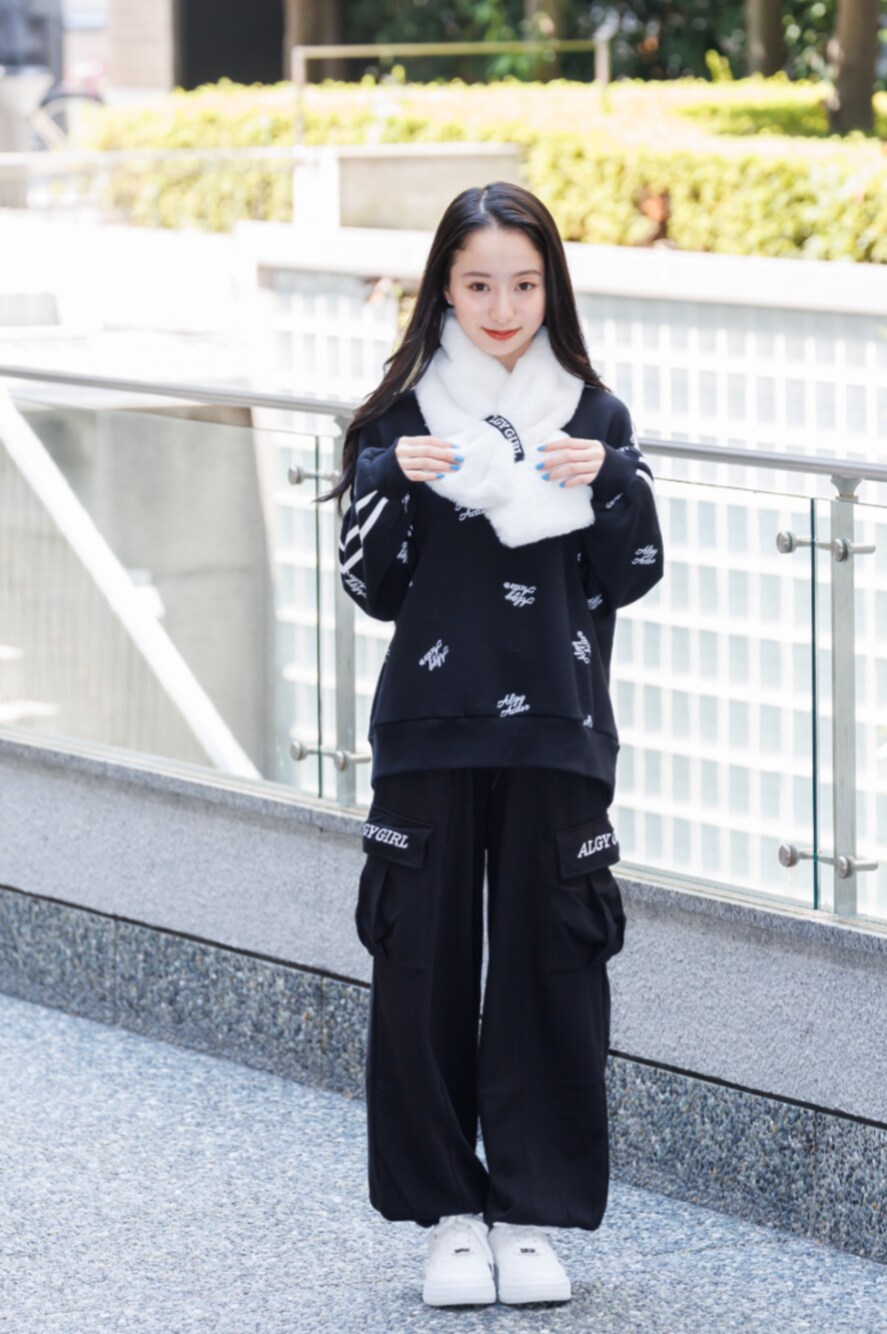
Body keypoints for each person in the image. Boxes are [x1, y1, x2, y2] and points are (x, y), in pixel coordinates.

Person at [316, 181, 664, 1308]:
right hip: (427, 731)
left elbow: (634, 574)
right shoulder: (402, 416)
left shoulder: (593, 414)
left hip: (558, 730)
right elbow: (368, 587)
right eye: (479, 284)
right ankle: (449, 1219)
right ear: (444, 291)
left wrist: (612, 481)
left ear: (551, 288)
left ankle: (528, 1213)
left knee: (553, 968)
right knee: (418, 967)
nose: (504, 307)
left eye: (524, 283)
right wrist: (388, 481)